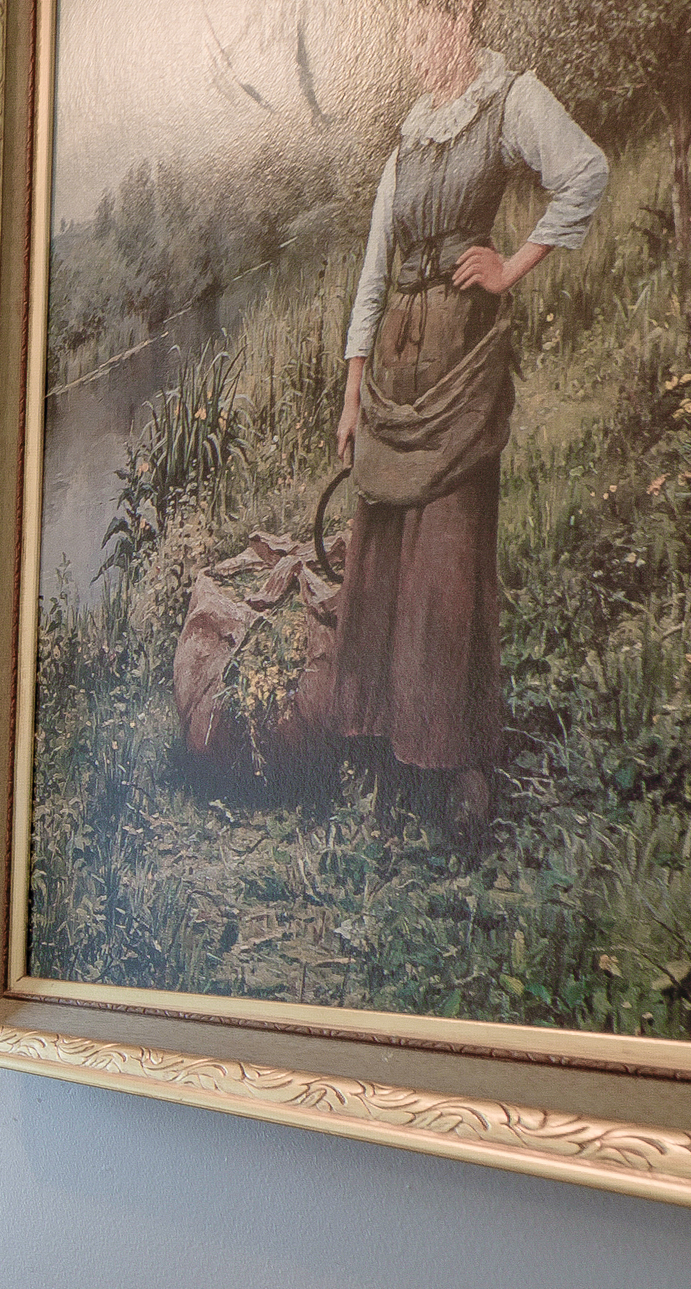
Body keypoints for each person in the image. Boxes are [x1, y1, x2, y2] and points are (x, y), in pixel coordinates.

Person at [331, 0, 606, 843]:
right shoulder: (409, 138)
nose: (413, 48)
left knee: (448, 561)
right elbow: (373, 270)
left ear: (460, 18)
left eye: (424, 27)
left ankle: (457, 764)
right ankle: (383, 741)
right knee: (381, 553)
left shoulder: (509, 98)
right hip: (395, 368)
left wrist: (511, 266)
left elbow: (585, 171)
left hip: (462, 363)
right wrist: (353, 391)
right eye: (404, 32)